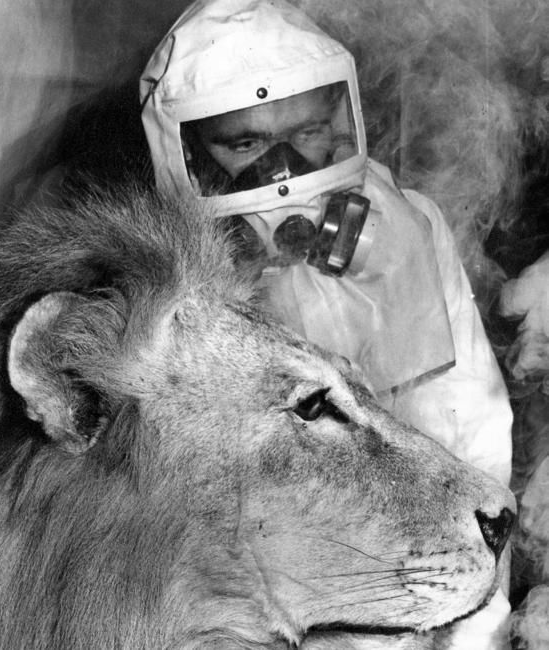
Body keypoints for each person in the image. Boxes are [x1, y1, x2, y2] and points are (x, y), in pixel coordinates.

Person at [139, 0, 513, 647]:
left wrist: (475, 629)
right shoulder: (162, 286)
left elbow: (471, 426)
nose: (281, 166)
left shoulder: (410, 227)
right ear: (189, 151)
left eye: (307, 131)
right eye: (246, 142)